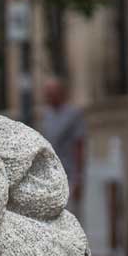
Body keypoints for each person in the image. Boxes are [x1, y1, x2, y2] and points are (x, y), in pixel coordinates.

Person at [35, 77, 86, 207]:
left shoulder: (73, 114)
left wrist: (78, 178)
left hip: (69, 174)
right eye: (47, 93)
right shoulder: (46, 116)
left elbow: (79, 145)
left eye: (52, 93)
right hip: (51, 176)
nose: (49, 96)